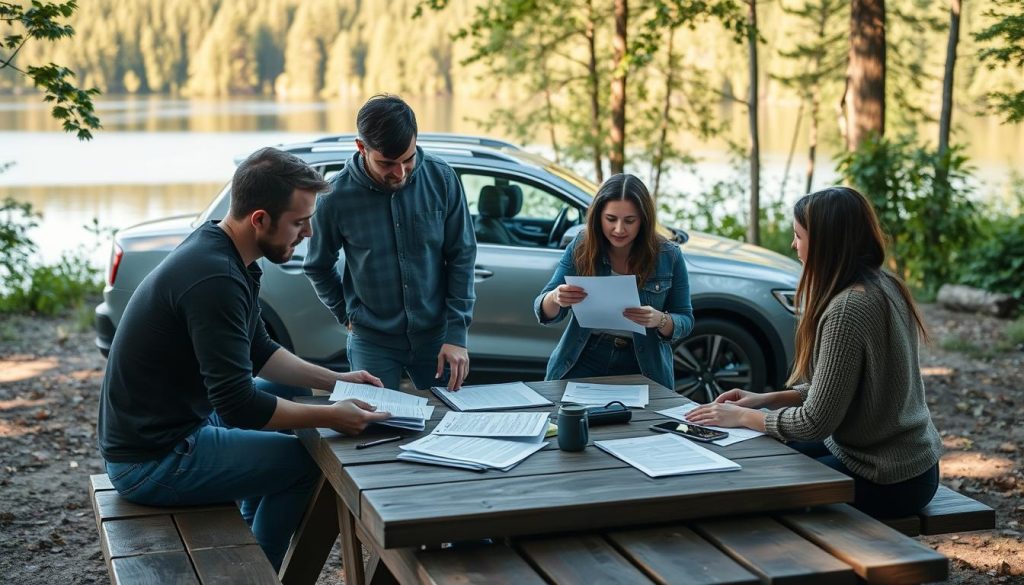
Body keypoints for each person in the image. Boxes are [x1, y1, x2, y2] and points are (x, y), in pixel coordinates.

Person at [97, 147, 392, 570]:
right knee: (304, 465)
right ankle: (255, 572)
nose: (308, 232)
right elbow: (239, 404)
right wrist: (332, 417)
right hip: (151, 460)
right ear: (260, 219)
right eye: (299, 221)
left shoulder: (227, 252)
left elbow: (261, 352)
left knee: (292, 389)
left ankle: (249, 537)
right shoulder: (214, 278)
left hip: (178, 424)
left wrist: (339, 382)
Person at [686, 186, 942, 518]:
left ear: (825, 243)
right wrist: (765, 399)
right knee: (758, 456)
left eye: (798, 235)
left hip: (889, 478)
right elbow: (842, 388)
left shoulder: (848, 308)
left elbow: (813, 423)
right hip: (904, 463)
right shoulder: (885, 284)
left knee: (755, 488)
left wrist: (742, 416)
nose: (794, 245)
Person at [304, 94, 477, 391]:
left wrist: (456, 334)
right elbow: (318, 266)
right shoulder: (334, 197)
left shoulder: (443, 179)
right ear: (361, 147)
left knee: (449, 425)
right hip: (372, 341)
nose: (400, 172)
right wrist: (346, 314)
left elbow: (462, 256)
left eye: (408, 159)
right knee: (374, 431)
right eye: (387, 163)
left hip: (438, 338)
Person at [534, 173, 694, 390]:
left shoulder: (669, 254)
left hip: (643, 363)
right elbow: (543, 310)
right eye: (611, 219)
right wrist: (556, 297)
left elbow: (685, 320)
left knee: (642, 423)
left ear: (644, 220)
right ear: (598, 217)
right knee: (568, 421)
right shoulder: (582, 245)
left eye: (630, 221)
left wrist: (660, 320)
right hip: (584, 355)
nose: (619, 229)